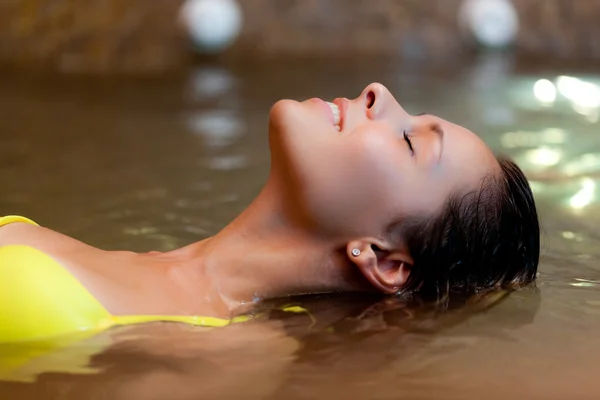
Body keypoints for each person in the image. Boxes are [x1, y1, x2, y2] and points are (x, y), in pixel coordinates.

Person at [0, 83, 540, 343]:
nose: (380, 91)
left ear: (385, 261)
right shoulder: (166, 284)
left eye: (409, 142)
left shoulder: (210, 357)